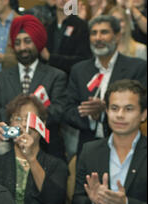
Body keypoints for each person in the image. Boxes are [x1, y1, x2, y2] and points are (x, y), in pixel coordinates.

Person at [72, 79, 147, 204]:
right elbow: (77, 202)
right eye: (114, 108)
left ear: (143, 114)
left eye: (129, 109)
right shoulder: (90, 151)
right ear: (107, 112)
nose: (120, 115)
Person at [0, 15, 68, 160]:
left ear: (37, 42)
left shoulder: (56, 76)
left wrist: (30, 119)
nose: (22, 47)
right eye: (17, 43)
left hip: (47, 151)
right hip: (7, 151)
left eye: (27, 41)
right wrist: (17, 120)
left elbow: (59, 110)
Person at [63, 15, 147, 156]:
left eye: (104, 32)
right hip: (88, 148)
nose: (98, 38)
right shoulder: (79, 70)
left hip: (128, 148)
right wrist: (91, 117)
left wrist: (106, 110)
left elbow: (142, 108)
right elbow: (67, 110)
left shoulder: (137, 68)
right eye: (94, 33)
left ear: (118, 36)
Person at [42, 0, 92, 75]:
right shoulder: (47, 27)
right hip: (48, 78)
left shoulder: (81, 26)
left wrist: (51, 58)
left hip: (71, 79)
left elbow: (83, 60)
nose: (63, 0)